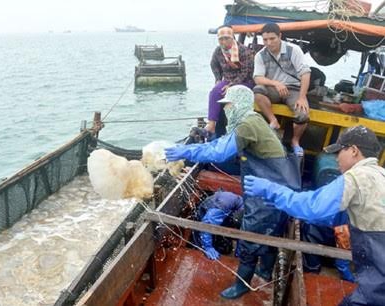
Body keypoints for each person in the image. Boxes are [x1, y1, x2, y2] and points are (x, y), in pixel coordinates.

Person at [165, 85, 301, 299]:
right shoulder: (254, 121)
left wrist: (186, 151)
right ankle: (265, 270)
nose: (225, 110)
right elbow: (221, 143)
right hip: (278, 186)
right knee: (270, 232)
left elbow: (219, 152)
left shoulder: (248, 124)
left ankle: (243, 283)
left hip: (267, 191)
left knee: (249, 236)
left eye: (227, 104)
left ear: (238, 104)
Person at [244, 125, 385, 305]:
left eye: (339, 152)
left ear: (354, 151)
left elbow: (313, 207)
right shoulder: (380, 175)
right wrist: (285, 205)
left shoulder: (357, 177)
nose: (336, 159)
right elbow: (341, 216)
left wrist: (273, 191)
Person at [253, 23, 311, 156]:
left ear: (280, 36)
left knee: (303, 114)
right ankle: (273, 121)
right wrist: (275, 83)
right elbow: (258, 78)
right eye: (265, 40)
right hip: (273, 88)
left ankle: (295, 141)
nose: (269, 43)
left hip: (294, 89)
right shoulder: (260, 55)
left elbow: (306, 73)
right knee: (257, 91)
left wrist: (302, 97)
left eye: (272, 39)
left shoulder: (293, 50)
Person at [207, 26, 255, 137]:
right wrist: (218, 79)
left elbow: (246, 72)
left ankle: (235, 130)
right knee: (215, 91)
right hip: (228, 79)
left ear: (232, 37)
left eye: (226, 38)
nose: (223, 41)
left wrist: (232, 85)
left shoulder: (244, 50)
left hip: (245, 81)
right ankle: (211, 124)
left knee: (231, 94)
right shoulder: (218, 51)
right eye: (221, 39)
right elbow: (213, 64)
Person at [195, 191, 243, 260]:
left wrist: (239, 254)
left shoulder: (247, 211)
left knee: (225, 248)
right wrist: (208, 247)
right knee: (203, 250)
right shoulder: (226, 202)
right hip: (206, 216)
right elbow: (206, 225)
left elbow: (242, 233)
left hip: (224, 215)